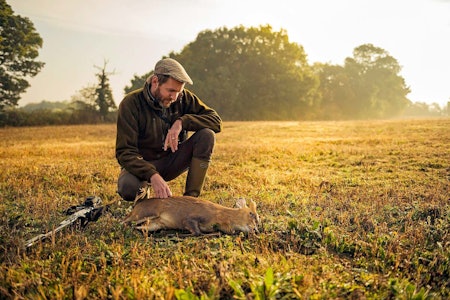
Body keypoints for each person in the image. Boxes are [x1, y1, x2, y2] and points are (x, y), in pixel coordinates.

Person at [116, 58, 222, 201]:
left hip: (172, 160)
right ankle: (143, 194)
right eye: (170, 90)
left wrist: (182, 122)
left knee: (207, 135)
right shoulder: (131, 103)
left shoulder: (182, 98)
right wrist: (152, 175)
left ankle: (191, 200)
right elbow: (125, 152)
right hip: (142, 165)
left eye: (178, 91)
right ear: (155, 82)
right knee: (128, 187)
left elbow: (216, 121)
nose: (174, 97)